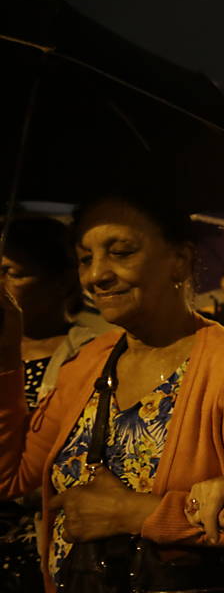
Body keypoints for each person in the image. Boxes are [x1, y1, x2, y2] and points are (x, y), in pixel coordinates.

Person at [0, 192, 224, 592]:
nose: (97, 275)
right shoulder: (86, 365)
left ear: (179, 260)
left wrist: (138, 513)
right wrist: (6, 357)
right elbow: (11, 476)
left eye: (122, 252)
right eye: (85, 258)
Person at [0, 216, 108, 592]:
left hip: (34, 550)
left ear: (61, 281)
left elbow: (39, 471)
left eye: (11, 272)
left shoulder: (88, 356)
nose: (1, 286)